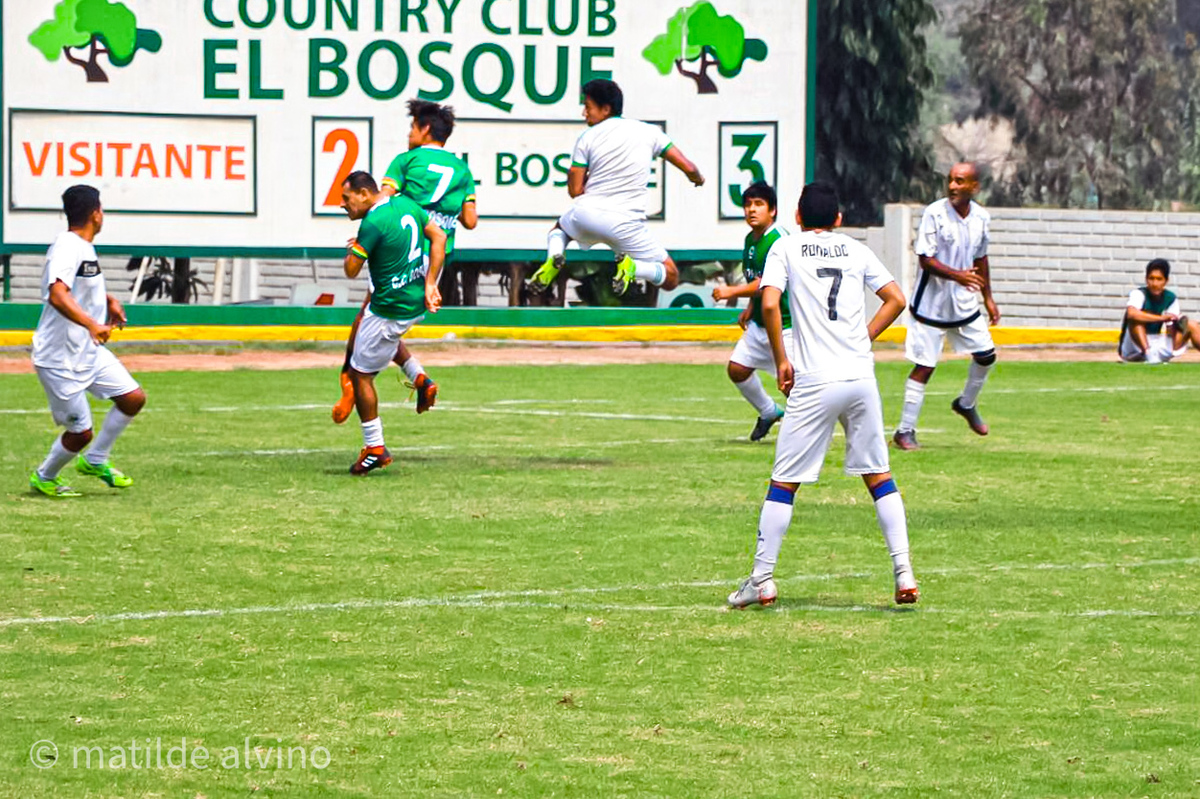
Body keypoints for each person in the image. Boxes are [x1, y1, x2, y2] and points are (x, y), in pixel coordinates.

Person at [727, 182, 918, 609]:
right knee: (879, 476)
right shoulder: (855, 249)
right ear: (838, 219)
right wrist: (865, 337)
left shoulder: (786, 248)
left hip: (815, 379)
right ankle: (904, 570)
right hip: (860, 376)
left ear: (796, 217)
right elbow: (895, 299)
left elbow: (769, 304)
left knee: (784, 483)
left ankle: (761, 579)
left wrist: (782, 359)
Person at [332, 99, 477, 424]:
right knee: (388, 324)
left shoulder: (407, 160)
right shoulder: (463, 170)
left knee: (368, 316)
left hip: (403, 251)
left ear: (425, 129)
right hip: (435, 259)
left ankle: (349, 383)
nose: (409, 134)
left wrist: (370, 235)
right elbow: (470, 220)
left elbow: (383, 200)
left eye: (412, 127)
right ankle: (419, 376)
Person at [526, 78, 705, 297]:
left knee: (559, 230)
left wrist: (584, 179)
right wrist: (697, 178)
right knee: (671, 277)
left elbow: (575, 190)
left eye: (588, 107)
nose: (584, 113)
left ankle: (554, 257)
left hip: (586, 215)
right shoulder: (650, 132)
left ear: (606, 109)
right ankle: (635, 268)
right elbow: (688, 166)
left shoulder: (587, 137)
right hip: (625, 224)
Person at [28, 185, 146, 498]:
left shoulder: (83, 247)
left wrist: (107, 301)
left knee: (132, 398)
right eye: (101, 209)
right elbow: (57, 293)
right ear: (96, 214)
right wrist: (93, 323)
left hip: (87, 351)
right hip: (59, 358)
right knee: (80, 432)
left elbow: (78, 287)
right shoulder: (68, 246)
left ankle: (96, 459)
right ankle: (44, 476)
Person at [340, 171, 447, 475]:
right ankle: (420, 378)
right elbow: (439, 236)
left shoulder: (372, 223)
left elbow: (351, 270)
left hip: (388, 309)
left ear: (364, 193)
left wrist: (354, 250)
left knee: (360, 375)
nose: (343, 205)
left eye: (346, 198)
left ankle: (375, 447)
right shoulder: (406, 204)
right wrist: (431, 282)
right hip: (414, 301)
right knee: (388, 341)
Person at [893, 162, 1000, 450]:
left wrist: (989, 298)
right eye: (951, 180)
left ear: (974, 187)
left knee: (987, 356)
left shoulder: (981, 217)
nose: (952, 186)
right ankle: (904, 431)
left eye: (960, 181)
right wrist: (958, 275)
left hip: (963, 304)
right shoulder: (935, 213)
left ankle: (966, 404)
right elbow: (925, 259)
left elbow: (981, 258)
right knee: (925, 367)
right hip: (931, 306)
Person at [712, 181, 795, 441]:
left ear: (773, 210)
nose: (752, 210)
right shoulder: (751, 239)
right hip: (760, 322)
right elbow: (756, 278)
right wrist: (749, 307)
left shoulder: (778, 239)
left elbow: (767, 282)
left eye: (759, 204)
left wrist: (731, 292)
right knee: (737, 369)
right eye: (748, 204)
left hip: (786, 325)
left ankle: (807, 432)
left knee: (792, 384)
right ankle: (769, 412)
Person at [1118, 258, 1200, 363]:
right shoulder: (1138, 294)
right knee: (1137, 319)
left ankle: (1152, 356)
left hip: (1155, 343)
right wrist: (1162, 318)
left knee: (1192, 325)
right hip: (1133, 347)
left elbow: (1170, 332)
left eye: (1159, 279)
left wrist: (1175, 324)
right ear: (1146, 279)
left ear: (1166, 281)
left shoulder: (1170, 298)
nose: (1155, 283)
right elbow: (1131, 314)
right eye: (1151, 279)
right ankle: (1148, 354)